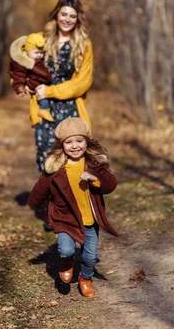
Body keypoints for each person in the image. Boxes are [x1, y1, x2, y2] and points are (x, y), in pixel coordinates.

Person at [27, 117, 118, 298]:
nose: (75, 146)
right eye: (69, 142)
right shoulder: (56, 168)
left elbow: (111, 184)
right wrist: (33, 204)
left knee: (90, 257)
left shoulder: (94, 165)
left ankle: (85, 279)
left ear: (87, 142)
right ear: (62, 146)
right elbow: (40, 189)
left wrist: (95, 180)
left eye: (79, 141)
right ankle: (66, 262)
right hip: (65, 218)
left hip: (90, 219)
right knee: (66, 249)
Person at [9, 0, 93, 172]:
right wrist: (21, 85)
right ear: (56, 15)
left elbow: (83, 82)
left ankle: (71, 198)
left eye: (72, 16)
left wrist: (50, 91)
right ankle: (49, 199)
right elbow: (19, 64)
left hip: (71, 108)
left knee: (73, 156)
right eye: (64, 14)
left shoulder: (84, 45)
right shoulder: (39, 40)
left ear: (78, 19)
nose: (67, 19)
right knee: (46, 156)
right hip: (43, 109)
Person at [9, 33, 54, 122]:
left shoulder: (38, 61)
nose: (39, 55)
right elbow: (18, 75)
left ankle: (45, 109)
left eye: (42, 53)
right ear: (27, 51)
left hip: (37, 83)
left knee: (42, 91)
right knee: (41, 94)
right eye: (36, 52)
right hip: (34, 84)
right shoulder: (23, 62)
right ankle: (44, 109)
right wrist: (20, 87)